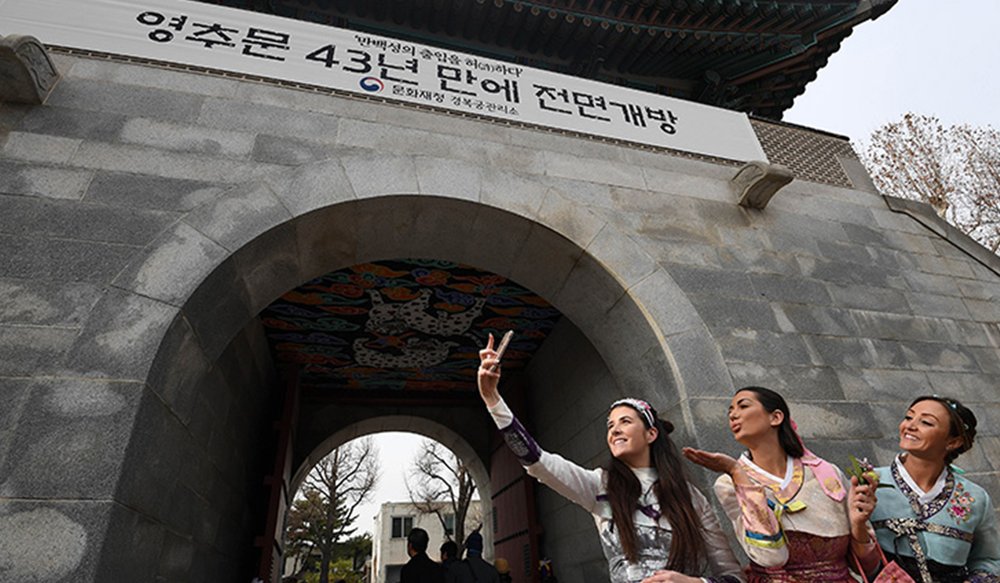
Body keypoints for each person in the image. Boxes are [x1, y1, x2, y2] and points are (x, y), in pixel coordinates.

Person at [477, 334, 743, 583]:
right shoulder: (600, 487)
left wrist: (693, 582)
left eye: (625, 422)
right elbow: (537, 461)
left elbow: (732, 576)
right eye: (610, 425)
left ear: (651, 434)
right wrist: (493, 400)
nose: (614, 429)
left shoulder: (691, 499)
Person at [683, 386, 880, 582]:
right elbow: (770, 556)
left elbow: (868, 565)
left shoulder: (826, 473)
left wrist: (858, 525)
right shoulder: (728, 483)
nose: (733, 415)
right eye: (730, 411)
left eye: (743, 406)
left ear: (776, 417)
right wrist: (737, 473)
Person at [868, 395, 1000, 583]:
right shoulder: (868, 483)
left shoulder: (975, 498)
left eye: (926, 422)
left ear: (953, 442)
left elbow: (988, 559)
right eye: (908, 417)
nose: (910, 426)